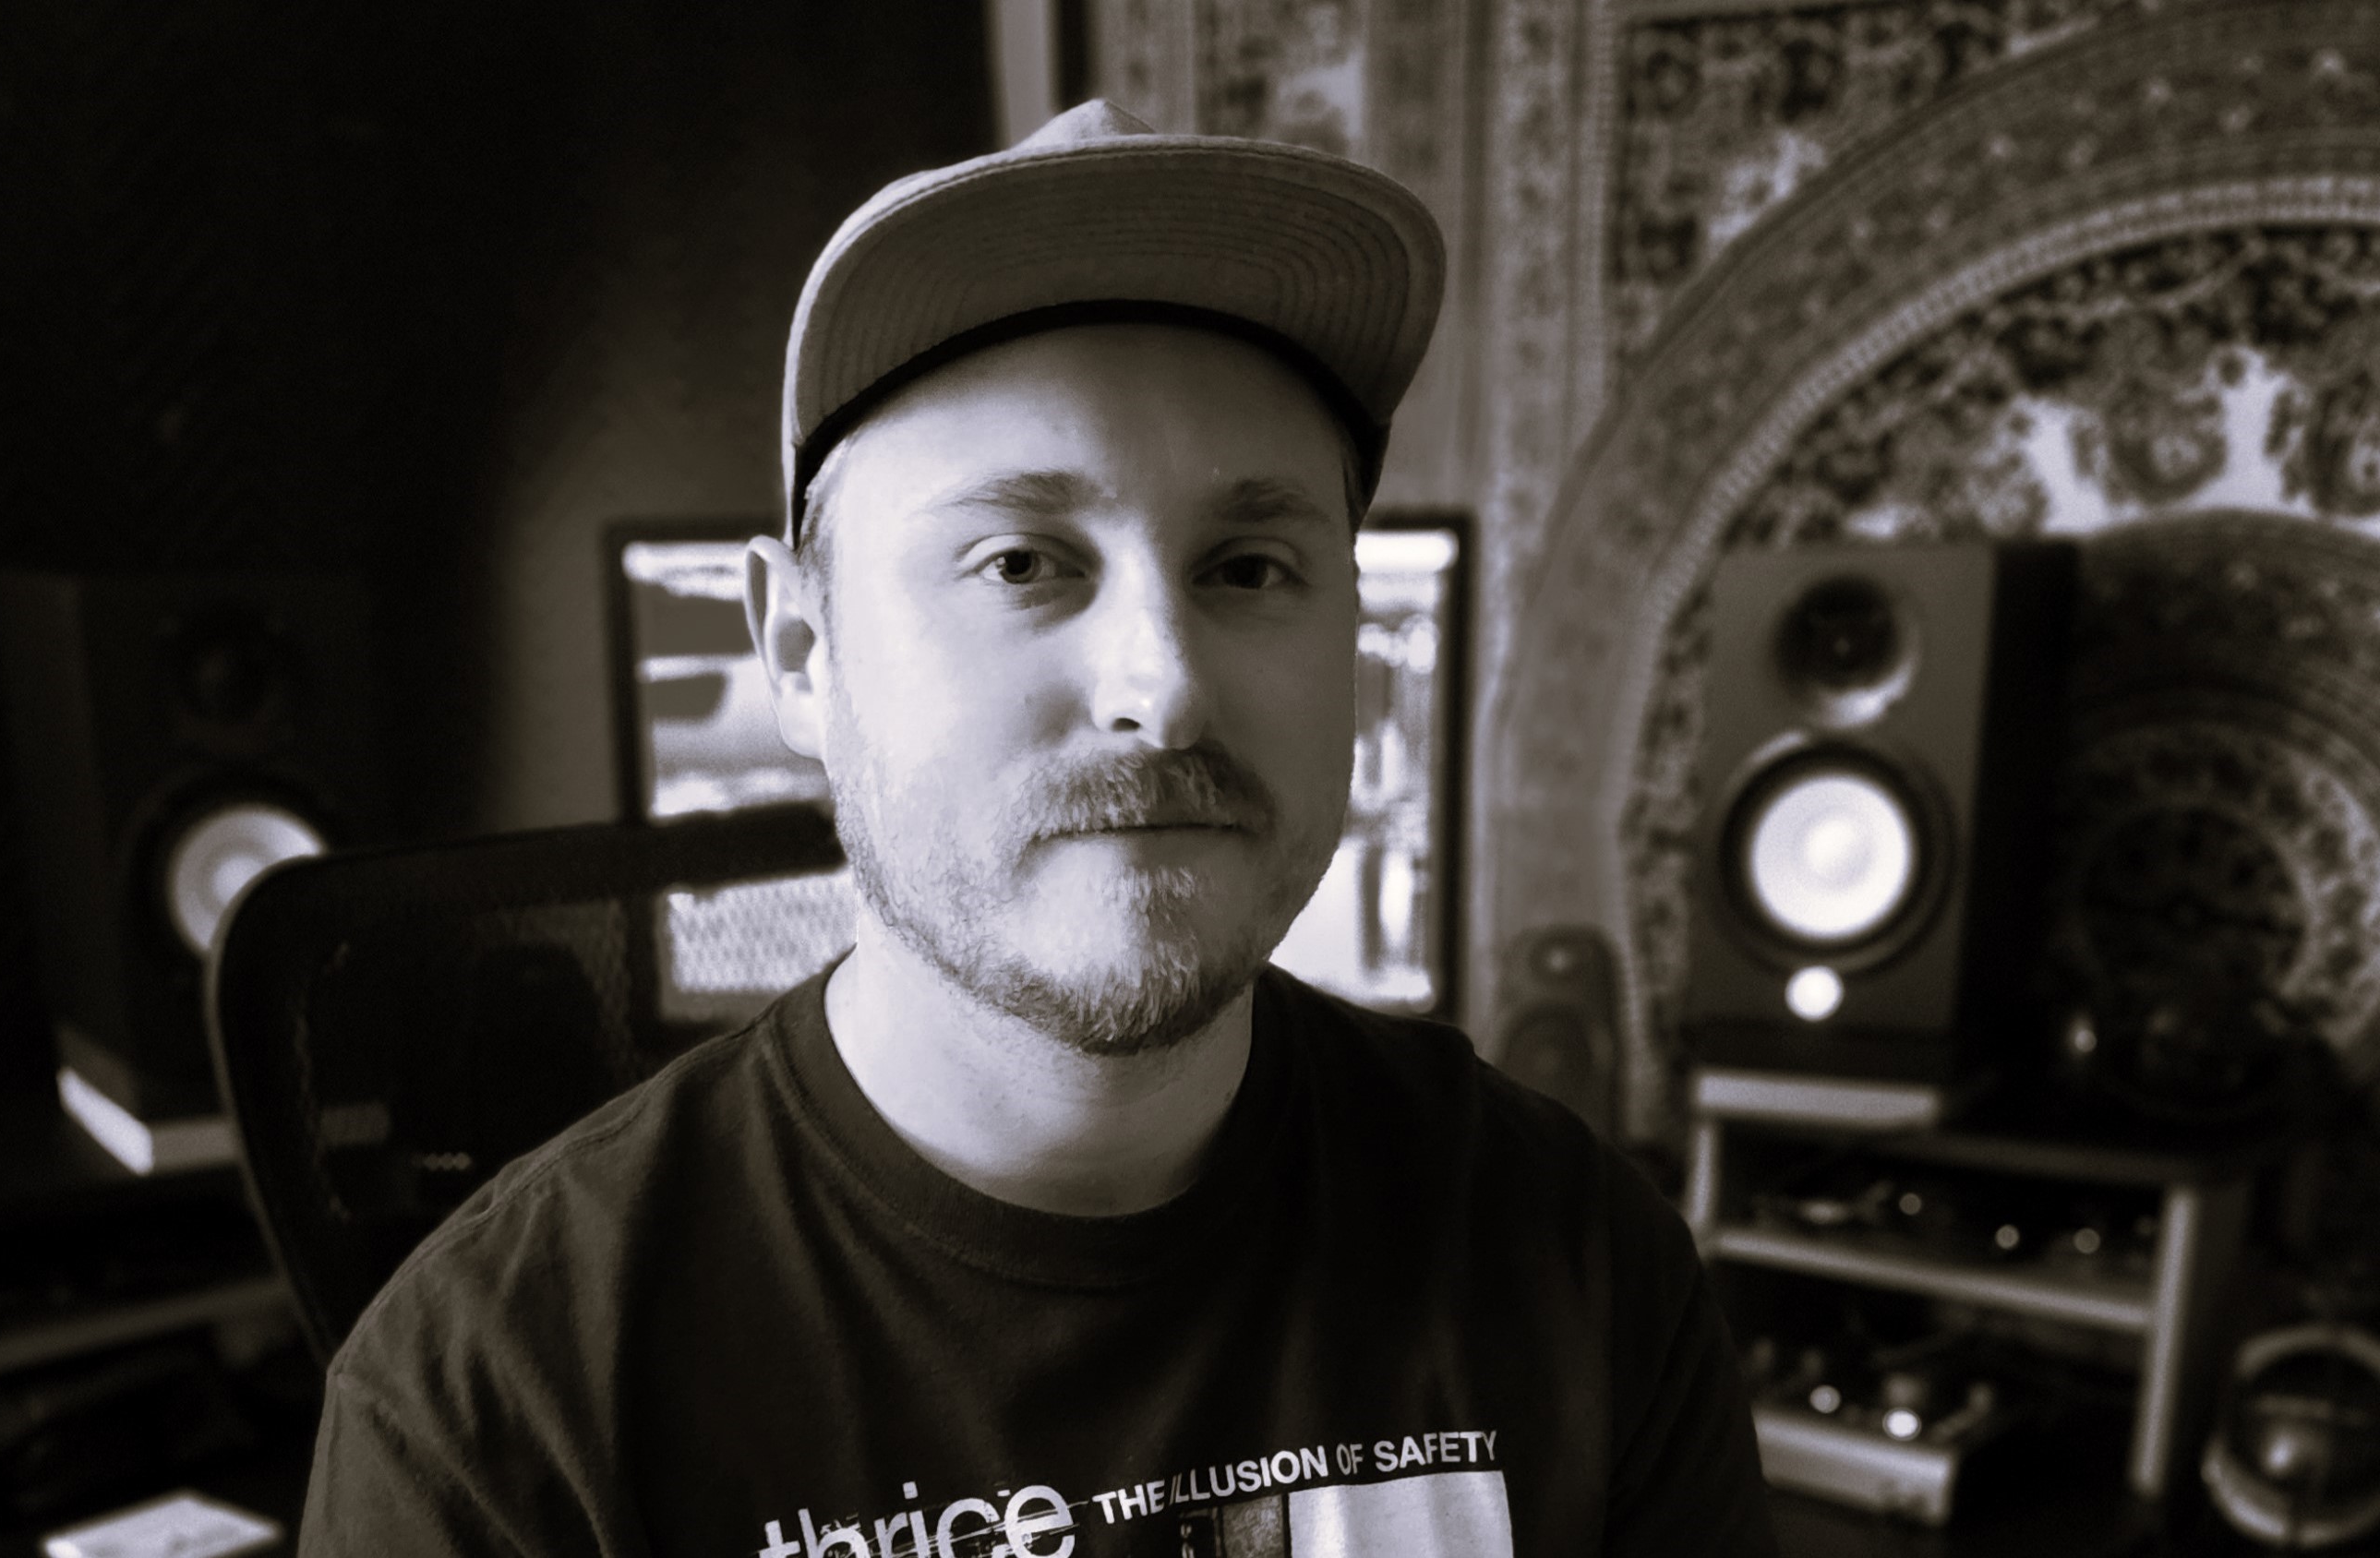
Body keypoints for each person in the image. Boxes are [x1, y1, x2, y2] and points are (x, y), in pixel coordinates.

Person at [300, 101, 1777, 1557]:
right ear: (803, 653)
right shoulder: (492, 1415)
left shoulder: (1584, 1266)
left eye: (1251, 567)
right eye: (1021, 561)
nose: (1166, 687)